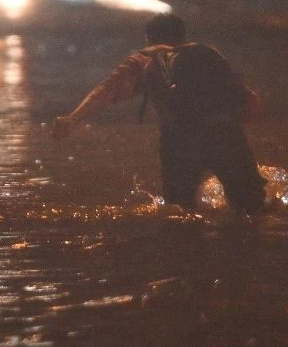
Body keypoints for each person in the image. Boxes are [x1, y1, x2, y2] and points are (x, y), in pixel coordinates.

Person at [53, 13, 267, 213]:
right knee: (252, 208)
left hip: (180, 143)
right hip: (226, 134)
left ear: (149, 39)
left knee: (179, 214)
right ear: (183, 36)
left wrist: (73, 118)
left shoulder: (144, 60)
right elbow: (252, 103)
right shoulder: (207, 54)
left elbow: (107, 90)